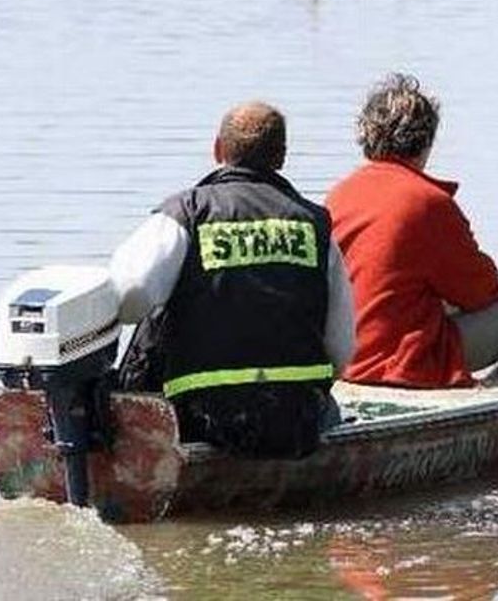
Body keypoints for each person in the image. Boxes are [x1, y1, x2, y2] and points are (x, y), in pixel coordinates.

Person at [110, 101, 355, 458]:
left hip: (200, 418)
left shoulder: (186, 213)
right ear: (282, 157)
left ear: (218, 149)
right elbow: (341, 349)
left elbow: (131, 298)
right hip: (294, 422)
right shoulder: (316, 224)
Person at [326, 73, 498, 387]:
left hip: (345, 359)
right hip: (400, 358)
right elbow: (482, 292)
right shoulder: (428, 202)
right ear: (426, 141)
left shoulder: (339, 195)